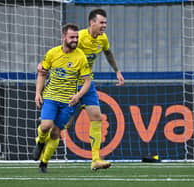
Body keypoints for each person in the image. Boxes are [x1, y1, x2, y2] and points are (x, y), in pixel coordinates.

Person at [37, 8, 124, 171]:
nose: (105, 26)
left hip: (86, 84)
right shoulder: (80, 37)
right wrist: (43, 65)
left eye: (106, 22)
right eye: (102, 22)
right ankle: (43, 156)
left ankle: (96, 159)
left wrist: (117, 71)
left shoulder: (102, 39)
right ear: (92, 23)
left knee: (97, 117)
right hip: (68, 85)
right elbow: (61, 50)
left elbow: (108, 53)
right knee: (57, 129)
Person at [32, 23, 92, 173]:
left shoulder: (80, 57)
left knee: (55, 133)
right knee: (45, 126)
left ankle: (44, 163)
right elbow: (42, 73)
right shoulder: (52, 53)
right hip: (51, 96)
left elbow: (87, 81)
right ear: (64, 37)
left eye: (77, 37)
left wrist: (78, 96)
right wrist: (38, 93)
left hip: (68, 101)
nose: (75, 40)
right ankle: (40, 142)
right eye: (72, 37)